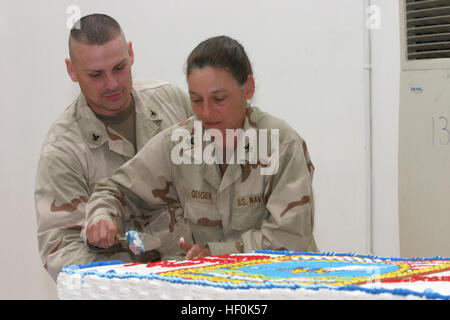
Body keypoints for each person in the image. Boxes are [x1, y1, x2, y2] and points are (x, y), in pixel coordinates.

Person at [85, 35, 318, 259]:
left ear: (248, 89)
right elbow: (114, 190)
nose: (206, 113)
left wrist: (215, 254)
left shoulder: (281, 146)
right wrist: (103, 217)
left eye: (219, 99)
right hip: (206, 290)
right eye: (196, 100)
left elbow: (290, 243)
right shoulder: (180, 144)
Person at [34, 14, 193, 281]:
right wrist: (137, 279)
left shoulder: (172, 103)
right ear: (71, 70)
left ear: (130, 53)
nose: (112, 84)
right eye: (96, 75)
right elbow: (59, 251)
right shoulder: (62, 149)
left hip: (200, 277)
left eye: (119, 68)